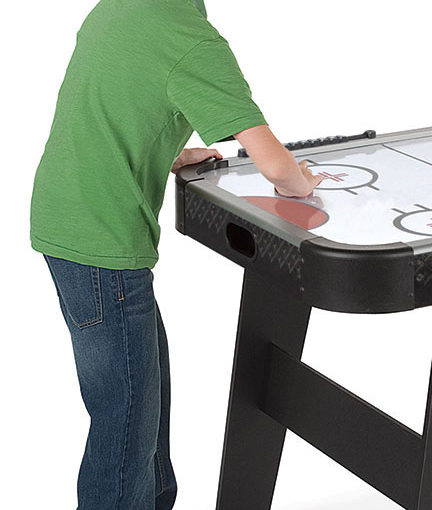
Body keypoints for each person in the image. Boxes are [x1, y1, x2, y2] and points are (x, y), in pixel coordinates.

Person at [29, 0, 323, 507]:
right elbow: (276, 167)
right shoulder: (193, 41)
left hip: (63, 220)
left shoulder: (121, 9)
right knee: (125, 421)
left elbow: (113, 107)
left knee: (146, 397)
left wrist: (167, 151)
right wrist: (305, 180)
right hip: (103, 244)